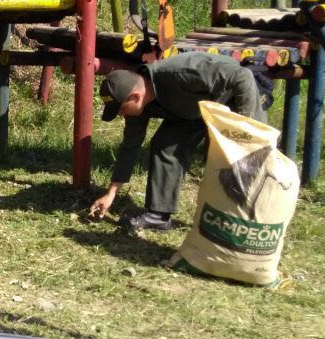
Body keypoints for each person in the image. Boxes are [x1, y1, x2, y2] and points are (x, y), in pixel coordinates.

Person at [88, 54, 266, 230]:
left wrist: (248, 128)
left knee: (235, 159)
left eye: (121, 109)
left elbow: (241, 76)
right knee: (164, 145)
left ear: (135, 97)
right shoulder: (139, 108)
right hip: (191, 112)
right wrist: (111, 194)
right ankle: (159, 215)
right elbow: (130, 146)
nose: (121, 115)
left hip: (230, 97)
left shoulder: (180, 73)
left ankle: (246, 217)